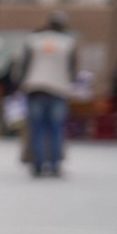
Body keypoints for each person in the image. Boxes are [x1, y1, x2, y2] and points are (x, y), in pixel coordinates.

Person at [20, 11, 78, 176]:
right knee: (55, 130)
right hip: (58, 88)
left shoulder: (34, 40)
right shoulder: (68, 42)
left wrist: (22, 84)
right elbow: (71, 68)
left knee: (36, 129)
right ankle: (54, 165)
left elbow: (25, 65)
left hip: (35, 87)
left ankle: (37, 164)